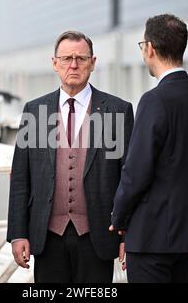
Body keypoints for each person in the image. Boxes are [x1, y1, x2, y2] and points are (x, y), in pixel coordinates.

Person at [7, 30, 134, 283]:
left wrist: (127, 235)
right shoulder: (34, 110)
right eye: (66, 58)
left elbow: (128, 179)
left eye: (81, 58)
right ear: (55, 64)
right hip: (47, 235)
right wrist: (18, 233)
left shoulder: (118, 111)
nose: (73, 64)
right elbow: (21, 178)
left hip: (98, 235)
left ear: (93, 63)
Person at [110, 14, 188, 283]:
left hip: (151, 235)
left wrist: (118, 217)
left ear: (150, 48)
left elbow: (136, 171)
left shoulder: (154, 100)